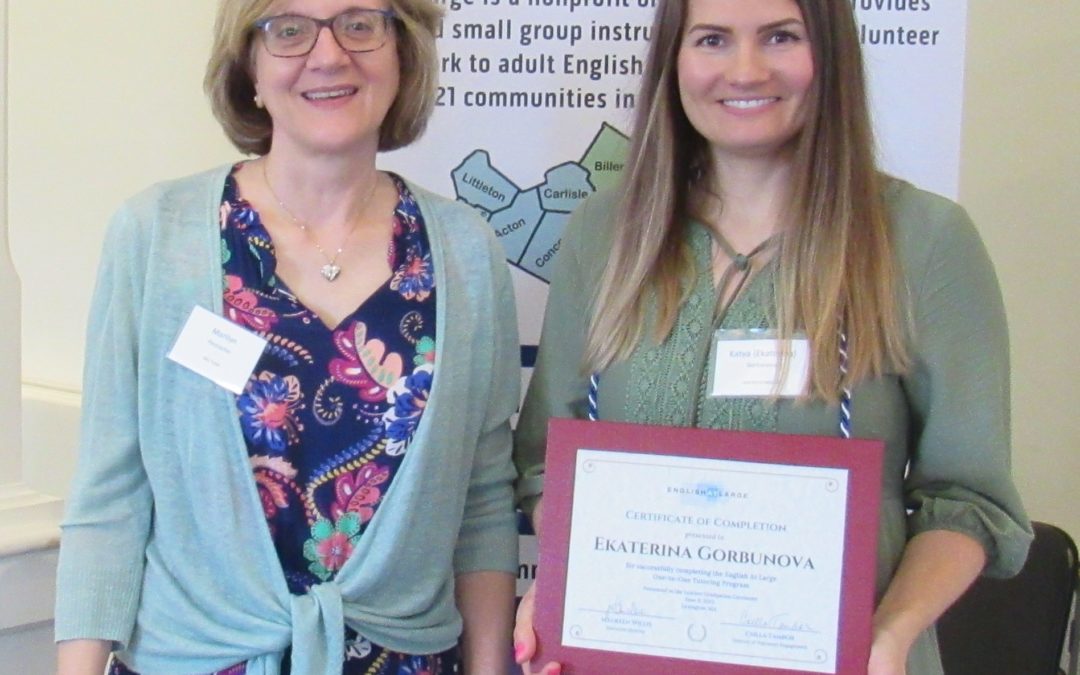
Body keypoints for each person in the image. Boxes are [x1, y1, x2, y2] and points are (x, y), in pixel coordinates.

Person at [511, 0, 1032, 673]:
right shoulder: (604, 232)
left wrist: (891, 632)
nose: (746, 70)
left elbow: (969, 500)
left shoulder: (922, 239)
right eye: (713, 40)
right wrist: (568, 586)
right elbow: (547, 465)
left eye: (781, 37)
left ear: (830, 55)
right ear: (674, 61)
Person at [54, 1, 519, 673]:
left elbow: (482, 497)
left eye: (360, 23)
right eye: (289, 30)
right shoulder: (155, 237)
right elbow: (110, 496)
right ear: (248, 65)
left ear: (402, 51)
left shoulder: (465, 251)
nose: (329, 56)